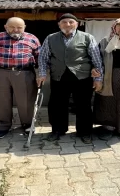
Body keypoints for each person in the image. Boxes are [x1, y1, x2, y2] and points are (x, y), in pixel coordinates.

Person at [37, 13, 103, 144]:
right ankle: (58, 130)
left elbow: (96, 59)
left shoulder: (87, 37)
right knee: (57, 105)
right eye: (64, 22)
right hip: (59, 77)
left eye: (71, 22)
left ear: (77, 24)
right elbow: (43, 57)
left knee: (83, 106)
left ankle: (85, 132)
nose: (67, 24)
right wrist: (42, 73)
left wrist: (98, 78)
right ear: (59, 25)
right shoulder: (51, 38)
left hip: (82, 77)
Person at [0, 17, 41, 139]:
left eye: (19, 27)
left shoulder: (32, 38)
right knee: (2, 100)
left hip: (24, 73)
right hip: (1, 73)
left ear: (24, 27)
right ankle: (3, 125)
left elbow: (39, 56)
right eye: (12, 27)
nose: (16, 30)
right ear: (5, 27)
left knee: (26, 100)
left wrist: (40, 73)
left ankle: (27, 124)